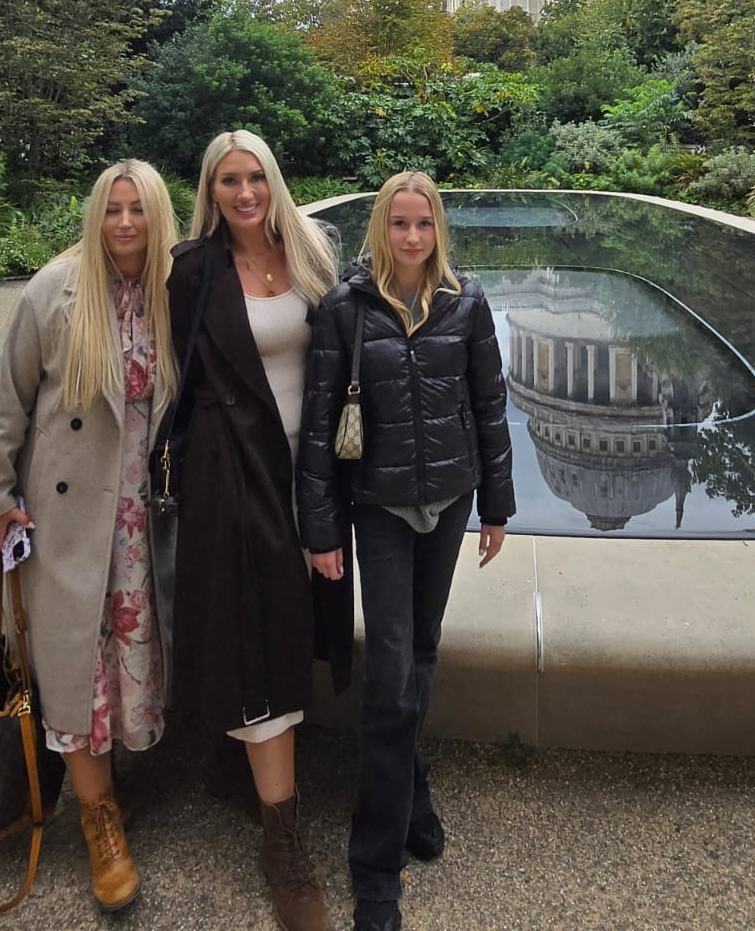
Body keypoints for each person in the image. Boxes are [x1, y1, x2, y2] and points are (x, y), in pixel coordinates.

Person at [298, 172, 516, 931]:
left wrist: (497, 505)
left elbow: (489, 404)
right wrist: (321, 528)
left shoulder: (466, 303)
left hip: (450, 502)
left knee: (422, 650)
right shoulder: (346, 307)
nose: (413, 237)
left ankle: (410, 779)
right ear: (380, 229)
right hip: (381, 510)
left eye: (424, 223)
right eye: (400, 224)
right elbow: (319, 425)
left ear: (439, 228)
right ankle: (375, 867)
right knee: (391, 676)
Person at [0, 159, 180, 912]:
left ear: (157, 216)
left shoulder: (173, 291)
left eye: (138, 209)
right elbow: (6, 401)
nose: (124, 222)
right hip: (69, 515)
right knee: (78, 666)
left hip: (144, 517)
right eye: (112, 209)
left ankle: (125, 773)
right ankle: (99, 819)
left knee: (134, 653)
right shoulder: (54, 290)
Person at [168, 129, 348, 931]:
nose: (244, 193)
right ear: (210, 191)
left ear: (274, 182)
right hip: (233, 475)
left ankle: (238, 765)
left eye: (256, 178)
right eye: (228, 180)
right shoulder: (194, 270)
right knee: (256, 634)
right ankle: (282, 840)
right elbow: (170, 373)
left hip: (309, 476)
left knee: (290, 623)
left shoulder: (311, 253)